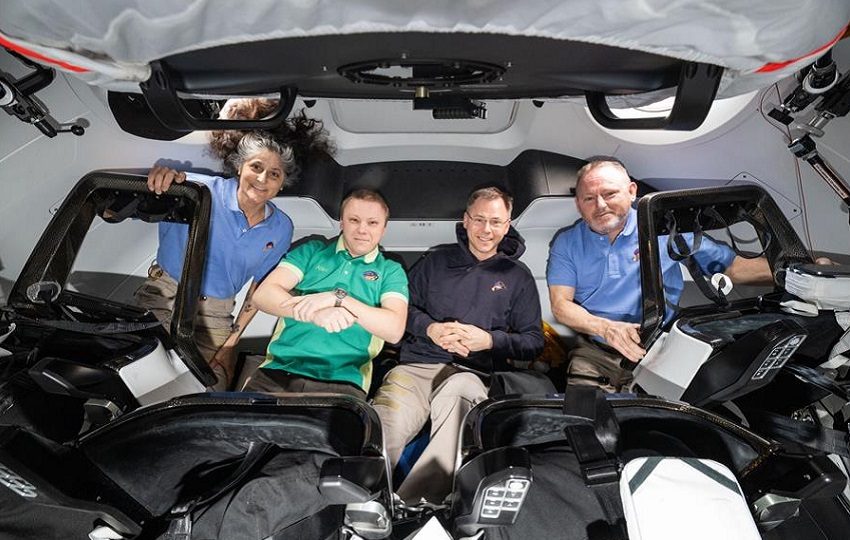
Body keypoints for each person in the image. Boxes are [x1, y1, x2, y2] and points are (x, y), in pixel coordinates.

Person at [371, 187, 545, 504]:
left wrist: (488, 340)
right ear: (465, 220)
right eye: (479, 219)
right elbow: (401, 312)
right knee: (386, 422)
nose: (486, 229)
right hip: (417, 367)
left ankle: (419, 506)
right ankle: (365, 500)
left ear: (507, 225)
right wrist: (431, 329)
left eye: (496, 221)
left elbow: (533, 342)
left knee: (459, 395)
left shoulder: (517, 276)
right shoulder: (435, 261)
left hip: (472, 372)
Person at [547, 159, 774, 392]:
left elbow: (732, 267)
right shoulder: (566, 243)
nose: (600, 205)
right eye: (589, 198)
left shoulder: (666, 228)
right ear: (578, 204)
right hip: (596, 353)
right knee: (583, 411)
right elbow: (561, 305)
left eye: (610, 194)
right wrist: (606, 329)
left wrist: (790, 272)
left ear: (631, 191)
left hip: (661, 349)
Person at [135, 131, 295, 390]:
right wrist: (156, 182)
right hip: (166, 297)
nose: (262, 178)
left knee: (211, 392)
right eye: (256, 167)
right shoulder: (195, 188)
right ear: (240, 166)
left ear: (282, 182)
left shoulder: (281, 228)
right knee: (148, 382)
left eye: (274, 174)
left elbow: (260, 288)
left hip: (217, 315)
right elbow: (112, 210)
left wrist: (231, 343)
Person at [244, 189, 408, 399]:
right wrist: (315, 314)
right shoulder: (311, 251)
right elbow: (263, 295)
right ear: (342, 223)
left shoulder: (391, 270)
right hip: (277, 371)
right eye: (354, 220)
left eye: (372, 223)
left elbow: (394, 330)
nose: (362, 229)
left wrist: (338, 298)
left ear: (383, 229)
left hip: (344, 382)